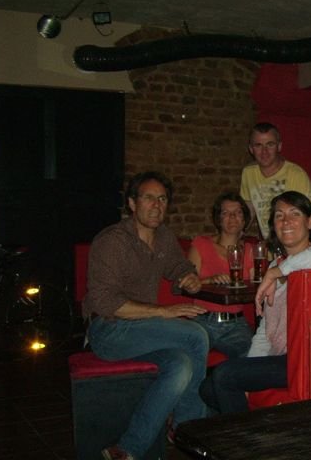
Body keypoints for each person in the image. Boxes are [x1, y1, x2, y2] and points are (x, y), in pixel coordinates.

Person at [82, 171, 208, 460]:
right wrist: (163, 312)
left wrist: (188, 277)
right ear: (132, 203)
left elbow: (177, 266)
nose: (156, 205)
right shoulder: (113, 241)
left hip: (141, 332)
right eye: (149, 198)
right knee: (196, 335)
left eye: (162, 199)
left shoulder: (163, 236)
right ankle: (189, 428)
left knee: (181, 365)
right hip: (108, 330)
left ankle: (128, 449)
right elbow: (104, 301)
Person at [200, 191, 311, 414]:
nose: (286, 221)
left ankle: (243, 436)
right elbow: (265, 331)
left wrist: (274, 273)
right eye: (279, 216)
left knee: (224, 375)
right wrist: (247, 378)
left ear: (310, 221)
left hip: (308, 359)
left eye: (295, 214)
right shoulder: (276, 264)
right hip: (281, 358)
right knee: (208, 388)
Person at [188, 192, 254, 358]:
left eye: (238, 212)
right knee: (189, 356)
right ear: (218, 219)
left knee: (253, 357)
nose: (232, 217)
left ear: (244, 220)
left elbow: (255, 286)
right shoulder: (201, 244)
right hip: (204, 319)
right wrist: (210, 280)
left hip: (236, 323)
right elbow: (187, 282)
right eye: (226, 213)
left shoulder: (249, 251)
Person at [240, 122, 311, 239]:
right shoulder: (248, 173)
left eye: (270, 145)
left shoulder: (296, 174)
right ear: (251, 149)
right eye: (258, 145)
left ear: (279, 146)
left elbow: (310, 214)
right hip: (274, 245)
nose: (264, 151)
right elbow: (249, 211)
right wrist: (237, 233)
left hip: (301, 244)